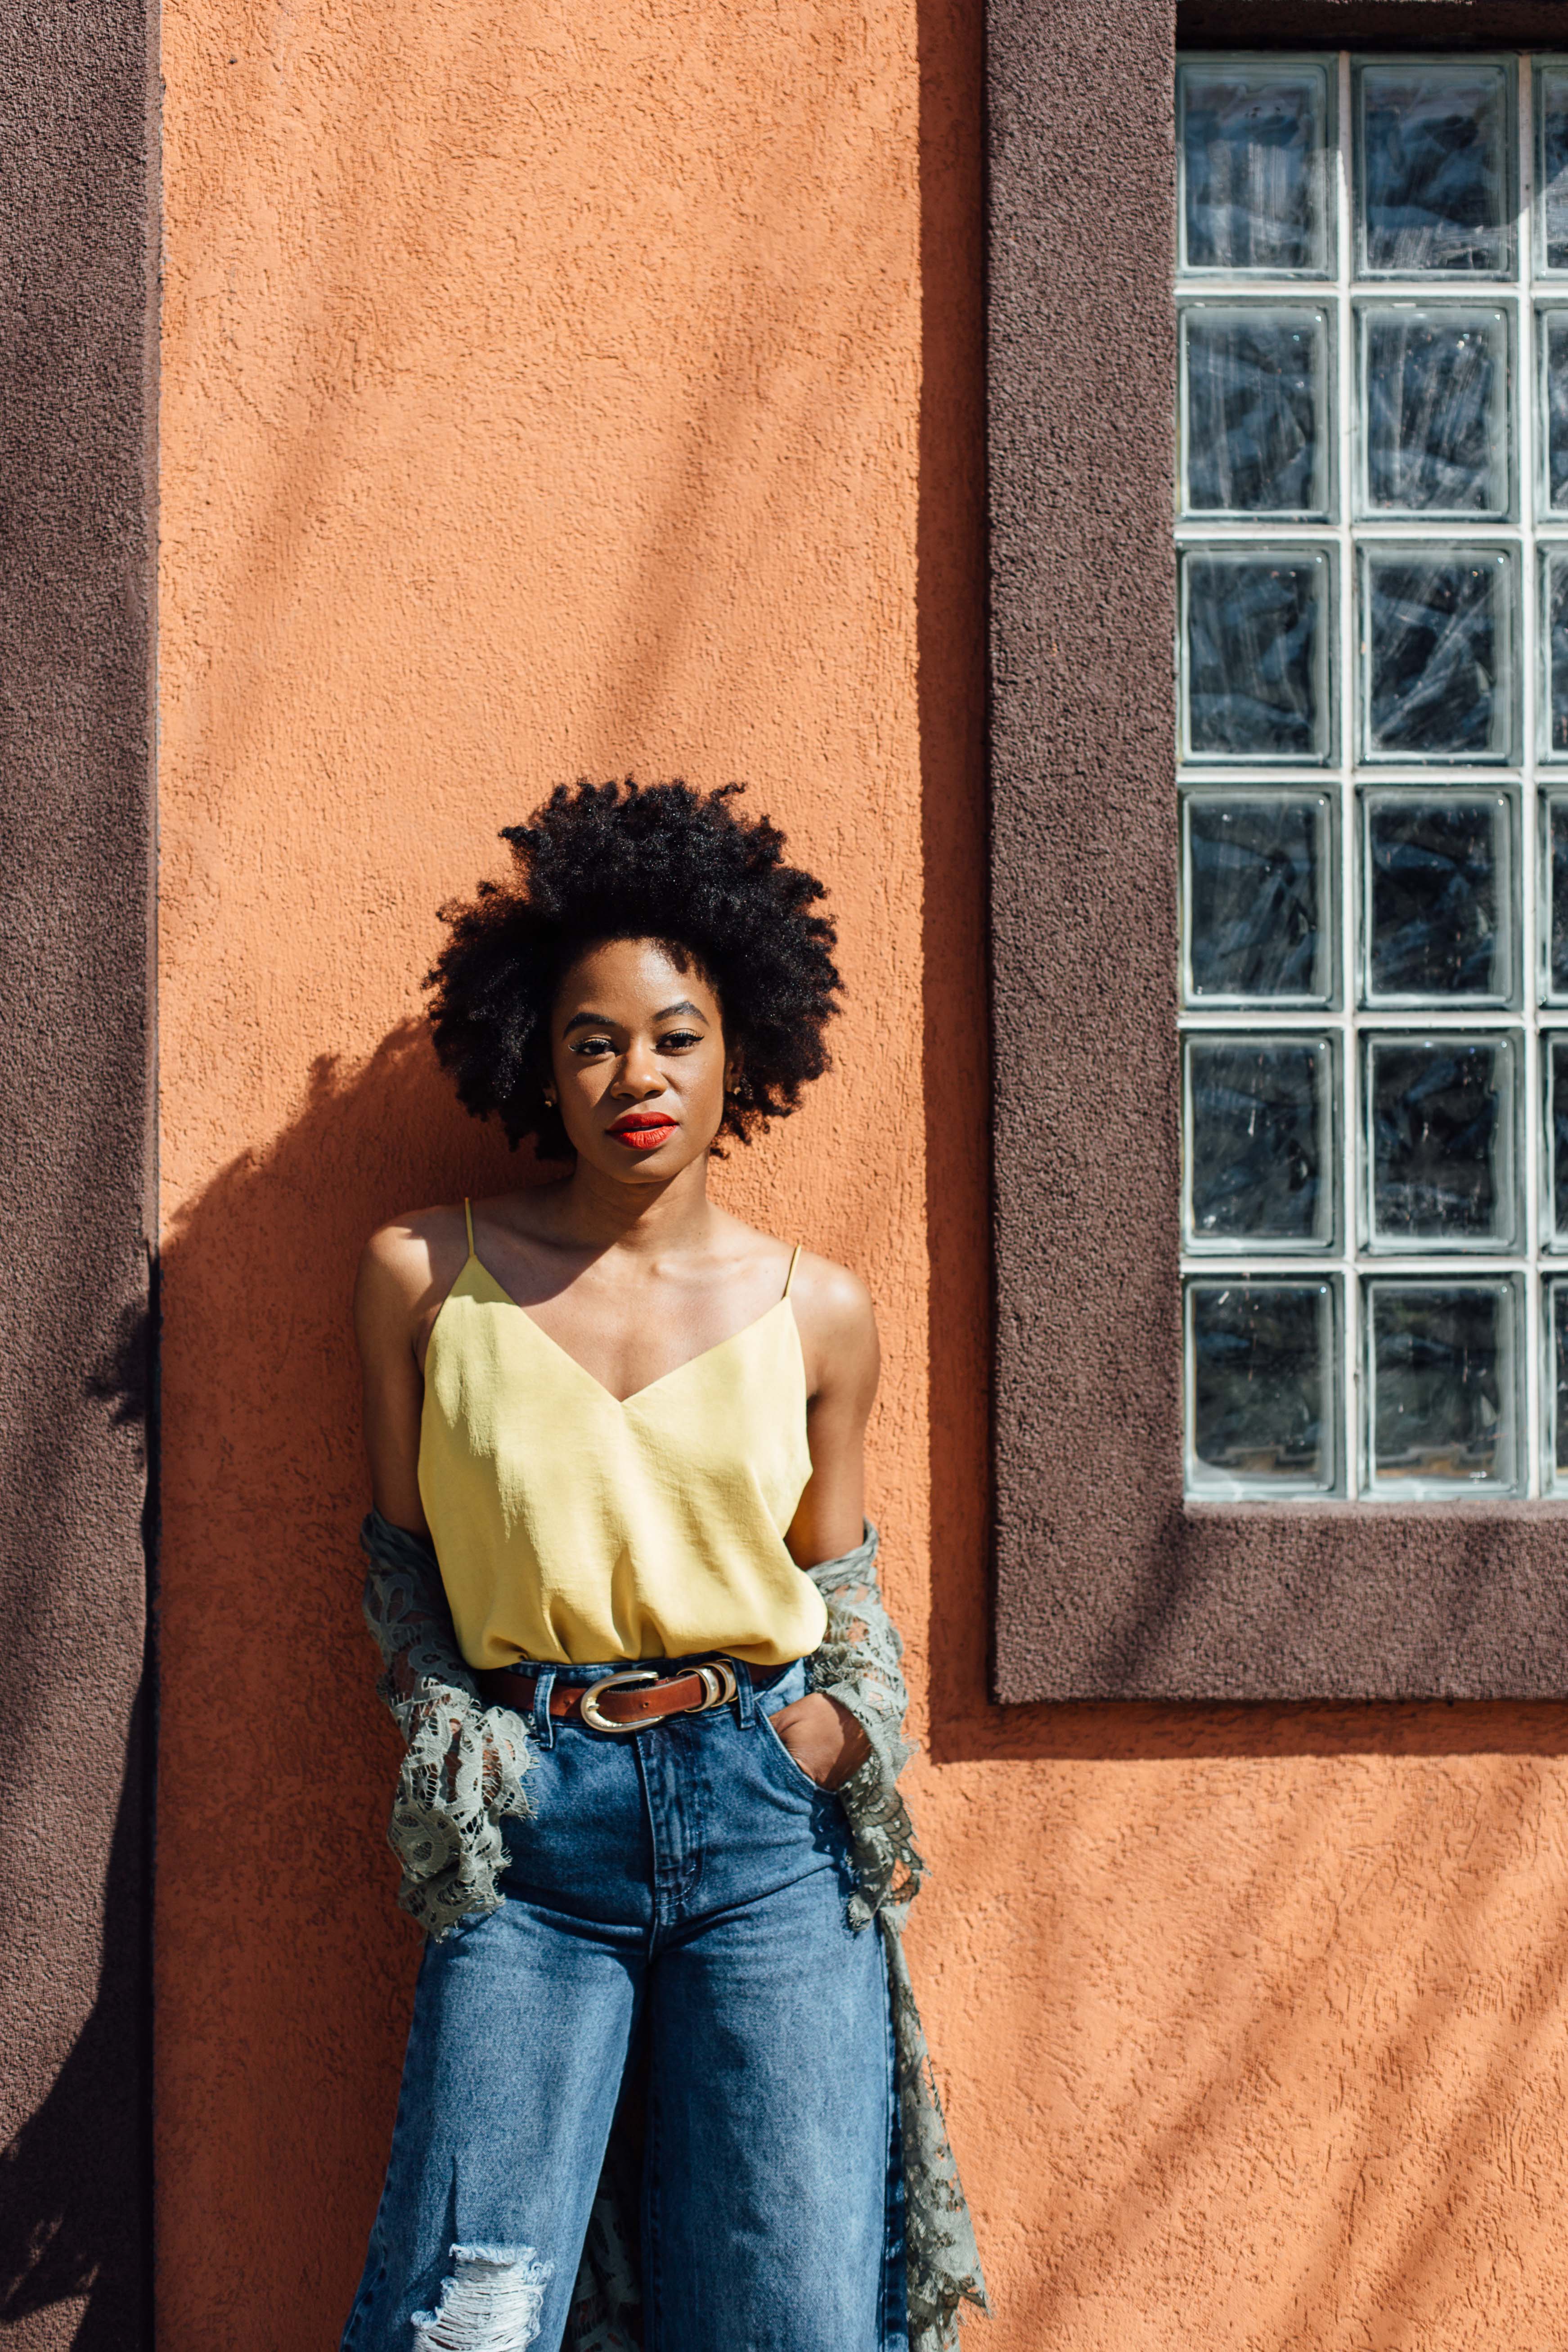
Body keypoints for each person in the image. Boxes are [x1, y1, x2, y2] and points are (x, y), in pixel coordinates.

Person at [341, 780, 986, 2352]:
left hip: (768, 1827)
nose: (639, 1073)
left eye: (677, 1033)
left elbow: (842, 1599)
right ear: (534, 1063)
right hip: (533, 1834)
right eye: (594, 1038)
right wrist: (470, 1747)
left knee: (785, 2317)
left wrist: (826, 1735)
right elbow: (405, 1577)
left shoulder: (817, 1311)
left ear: (740, 1048)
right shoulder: (425, 1280)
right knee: (467, 2318)